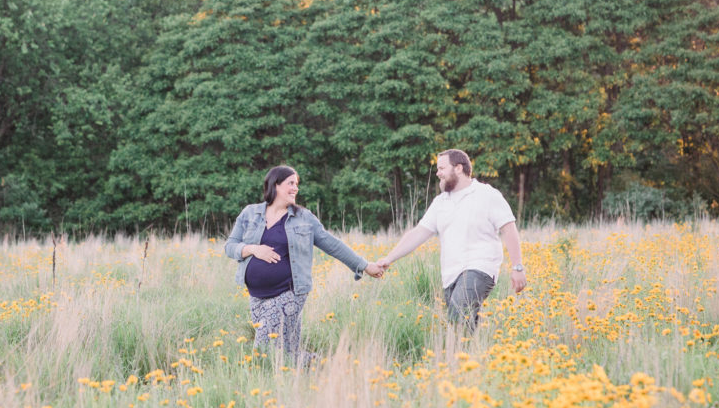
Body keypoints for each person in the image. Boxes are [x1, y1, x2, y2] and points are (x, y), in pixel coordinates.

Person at [225, 165, 384, 363]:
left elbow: (332, 244)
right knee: (288, 354)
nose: (295, 188)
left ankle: (262, 383)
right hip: (257, 297)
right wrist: (252, 249)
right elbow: (230, 246)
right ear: (275, 185)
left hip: (290, 292)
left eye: (297, 184)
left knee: (262, 349)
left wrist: (365, 265)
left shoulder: (304, 218)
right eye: (290, 183)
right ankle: (323, 366)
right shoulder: (250, 213)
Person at [377, 149, 526, 333]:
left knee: (457, 319)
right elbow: (418, 233)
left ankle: (454, 357)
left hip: (480, 267)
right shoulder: (441, 203)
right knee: (464, 328)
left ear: (458, 168)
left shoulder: (487, 194)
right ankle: (472, 357)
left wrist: (517, 267)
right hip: (450, 275)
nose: (437, 173)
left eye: (441, 168)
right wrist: (389, 258)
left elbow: (508, 228)